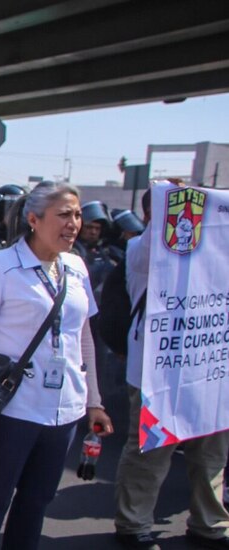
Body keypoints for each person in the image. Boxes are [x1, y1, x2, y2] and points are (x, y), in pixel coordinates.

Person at [0, 181, 113, 550]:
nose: (74, 223)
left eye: (77, 214)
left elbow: (83, 335)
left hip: (64, 409)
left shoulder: (76, 267)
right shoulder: (0, 266)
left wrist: (94, 401)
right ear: (34, 220)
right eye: (64, 215)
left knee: (36, 501)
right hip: (13, 407)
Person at [113, 186, 229, 550]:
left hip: (207, 366)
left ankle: (209, 523)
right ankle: (134, 523)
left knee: (212, 450)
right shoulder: (142, 249)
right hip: (156, 373)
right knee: (151, 449)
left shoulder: (214, 249)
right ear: (152, 214)